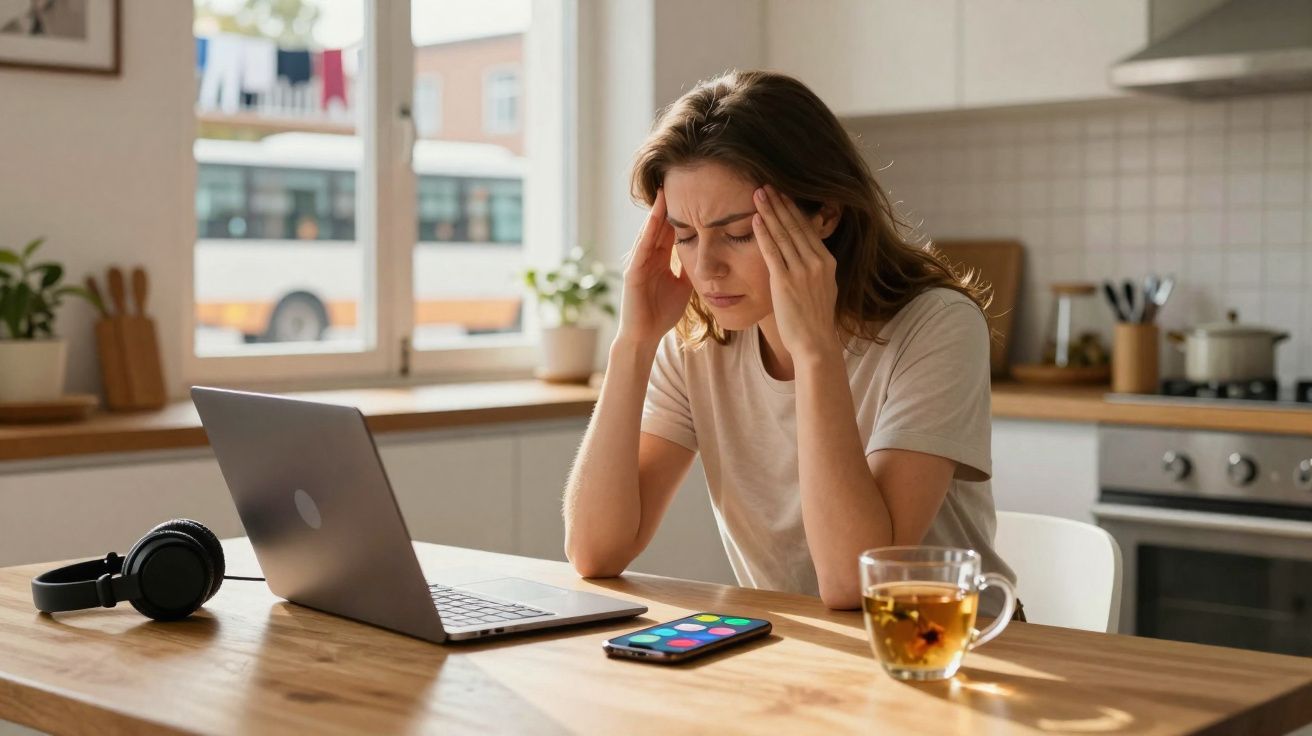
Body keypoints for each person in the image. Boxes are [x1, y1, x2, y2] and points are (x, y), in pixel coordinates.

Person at [562, 69, 1016, 614]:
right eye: (685, 235)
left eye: (738, 234)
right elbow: (594, 551)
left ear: (824, 212)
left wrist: (815, 351)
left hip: (948, 649)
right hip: (804, 654)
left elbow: (856, 584)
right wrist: (632, 343)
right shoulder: (698, 343)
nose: (706, 268)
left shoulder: (935, 325)